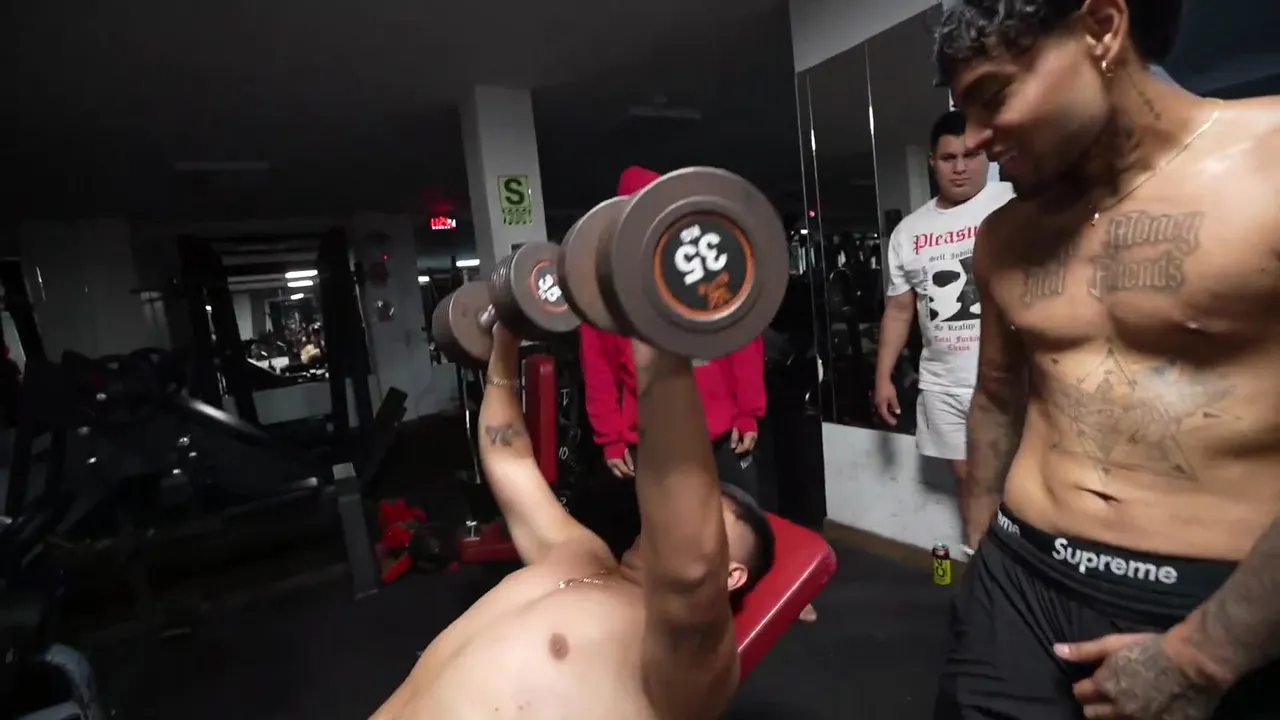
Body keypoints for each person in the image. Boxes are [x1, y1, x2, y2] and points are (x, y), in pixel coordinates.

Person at [931, 1, 1280, 718]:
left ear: (1101, 28)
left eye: (995, 95)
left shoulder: (1269, 164)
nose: (975, 138)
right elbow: (995, 396)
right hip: (1015, 580)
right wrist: (979, 550)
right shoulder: (1004, 235)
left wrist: (1206, 655)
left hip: (1218, 606)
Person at [370, 323, 776, 720]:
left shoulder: (693, 661)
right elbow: (510, 459)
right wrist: (506, 341)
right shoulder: (581, 554)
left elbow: (694, 571)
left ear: (731, 576)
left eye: (701, 519)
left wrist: (656, 337)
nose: (673, 517)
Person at [873, 110, 1015, 555]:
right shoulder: (909, 231)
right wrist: (883, 376)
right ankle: (980, 564)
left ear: (987, 156)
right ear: (932, 162)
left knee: (1021, 485)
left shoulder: (1013, 202)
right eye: (949, 158)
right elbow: (899, 310)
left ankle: (1022, 575)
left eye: (970, 156)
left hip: (1013, 379)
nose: (960, 167)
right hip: (943, 382)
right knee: (969, 480)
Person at [581, 167, 768, 498]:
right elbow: (599, 369)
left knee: (742, 521)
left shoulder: (704, 271)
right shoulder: (606, 290)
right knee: (667, 529)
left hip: (722, 434)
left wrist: (748, 413)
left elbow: (741, 342)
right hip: (651, 440)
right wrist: (610, 439)